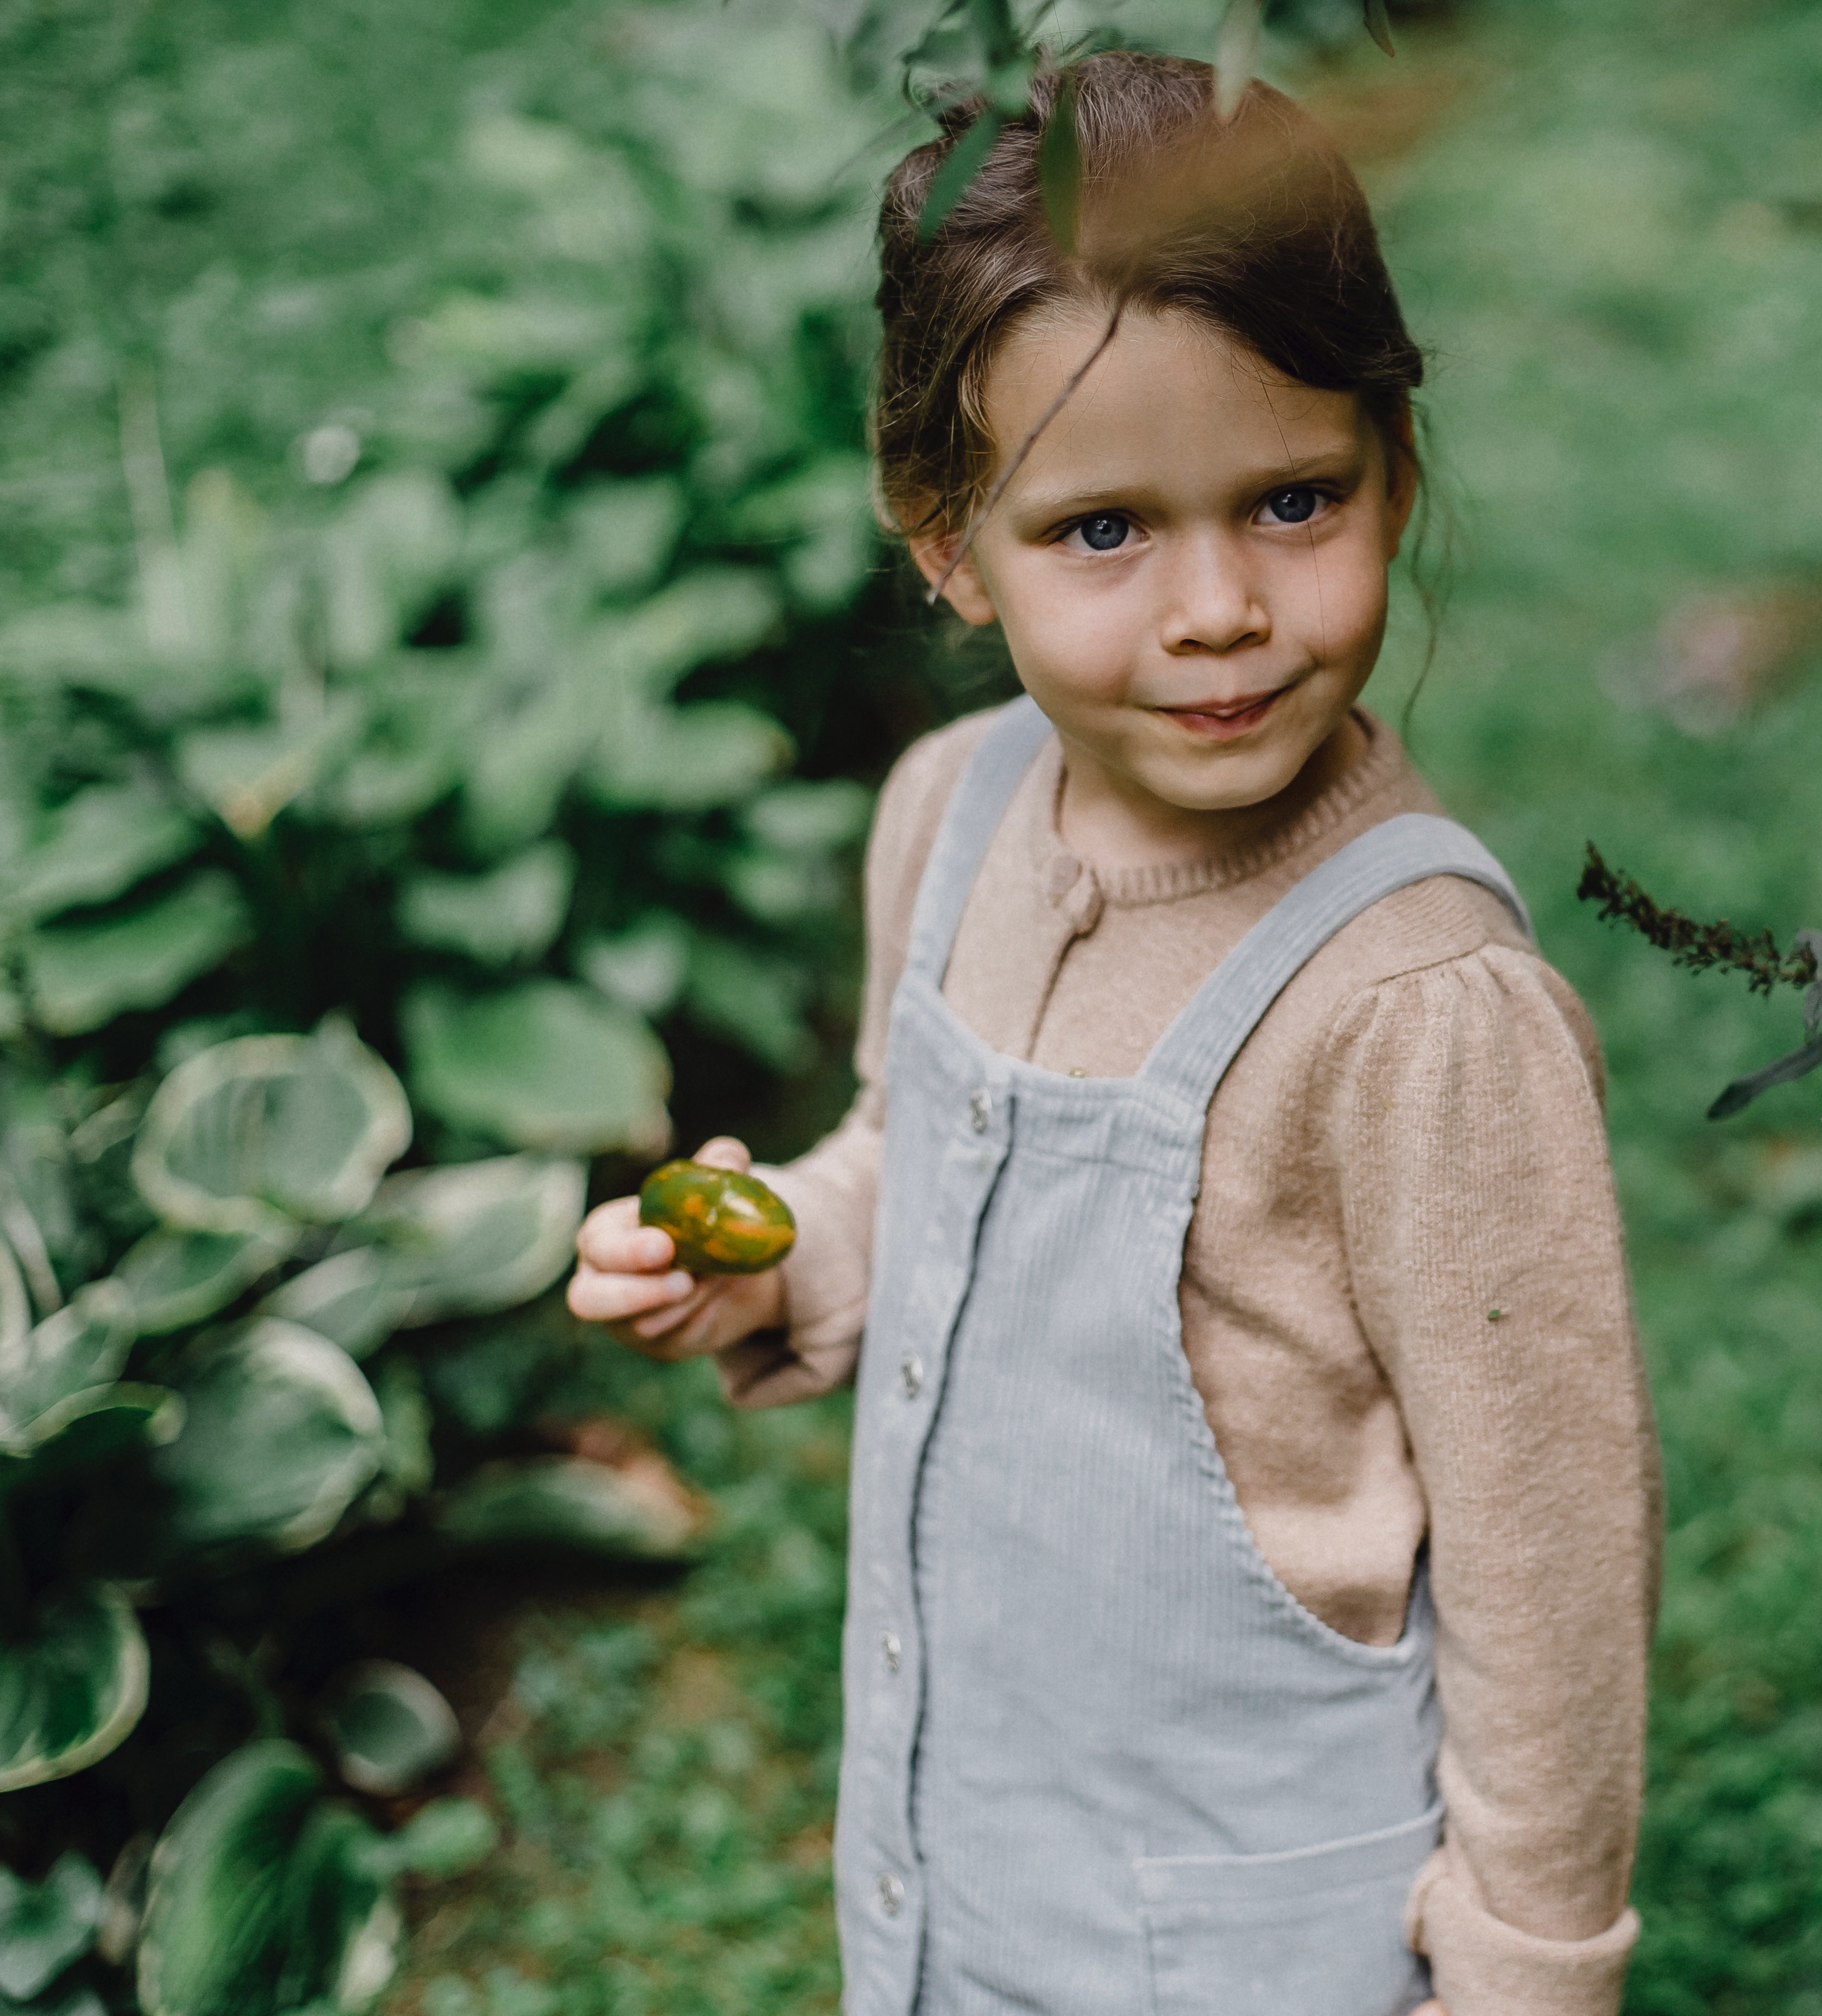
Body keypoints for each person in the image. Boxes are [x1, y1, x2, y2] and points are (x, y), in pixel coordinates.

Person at [566, 50, 1659, 2016]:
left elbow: (1551, 1554)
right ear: (941, 534)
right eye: (1102, 531)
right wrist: (800, 1245)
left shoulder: (1420, 1010)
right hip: (961, 1873)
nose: (1221, 606)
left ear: (1394, 470)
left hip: (1259, 1948)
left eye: (1295, 499)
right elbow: (931, 1157)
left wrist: (1525, 1972)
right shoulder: (953, 816)